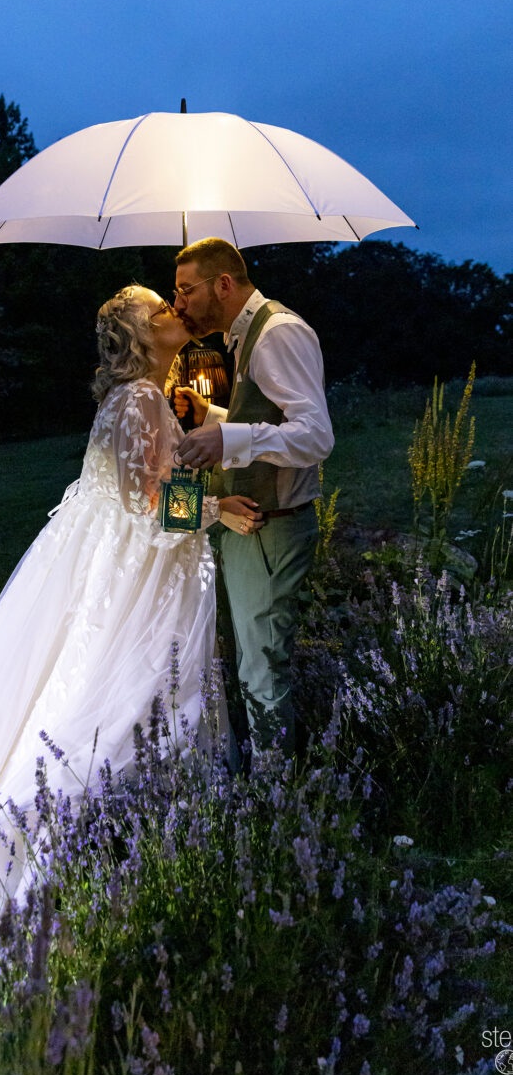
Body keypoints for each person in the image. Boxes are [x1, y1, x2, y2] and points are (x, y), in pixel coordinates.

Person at [0, 286, 261, 967]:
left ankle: (161, 819)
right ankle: (114, 821)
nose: (173, 314)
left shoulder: (140, 396)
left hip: (125, 564)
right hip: (142, 574)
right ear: (139, 336)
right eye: (159, 312)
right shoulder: (138, 399)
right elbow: (145, 504)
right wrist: (217, 508)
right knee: (123, 686)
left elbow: (146, 480)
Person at [172, 239, 334, 759]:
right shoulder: (245, 336)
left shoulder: (277, 334)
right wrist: (215, 416)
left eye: (185, 290)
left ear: (223, 284)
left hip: (270, 527)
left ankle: (279, 800)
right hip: (248, 526)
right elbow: (266, 415)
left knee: (262, 668)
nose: (178, 305)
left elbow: (315, 437)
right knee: (249, 661)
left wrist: (228, 440)